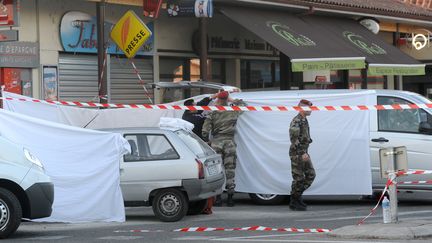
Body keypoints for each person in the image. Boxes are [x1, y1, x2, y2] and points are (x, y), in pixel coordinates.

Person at [202, 91, 246, 207]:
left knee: (217, 170)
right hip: (229, 142)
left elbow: (205, 130)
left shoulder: (213, 112)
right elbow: (244, 105)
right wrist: (232, 100)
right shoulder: (233, 111)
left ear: (218, 100)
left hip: (216, 142)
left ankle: (218, 198)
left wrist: (207, 140)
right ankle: (230, 198)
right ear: (227, 99)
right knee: (230, 170)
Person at [182, 93, 218, 214]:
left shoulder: (191, 113)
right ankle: (209, 202)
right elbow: (203, 119)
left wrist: (212, 97)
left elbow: (201, 104)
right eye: (194, 105)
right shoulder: (189, 118)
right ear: (190, 108)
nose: (196, 106)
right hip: (197, 148)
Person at [289, 99, 316, 211]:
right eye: (309, 108)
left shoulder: (304, 120)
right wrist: (302, 153)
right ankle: (294, 201)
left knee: (311, 174)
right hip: (297, 153)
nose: (311, 110)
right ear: (302, 108)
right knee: (298, 178)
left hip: (304, 152)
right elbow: (294, 140)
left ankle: (296, 196)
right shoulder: (297, 121)